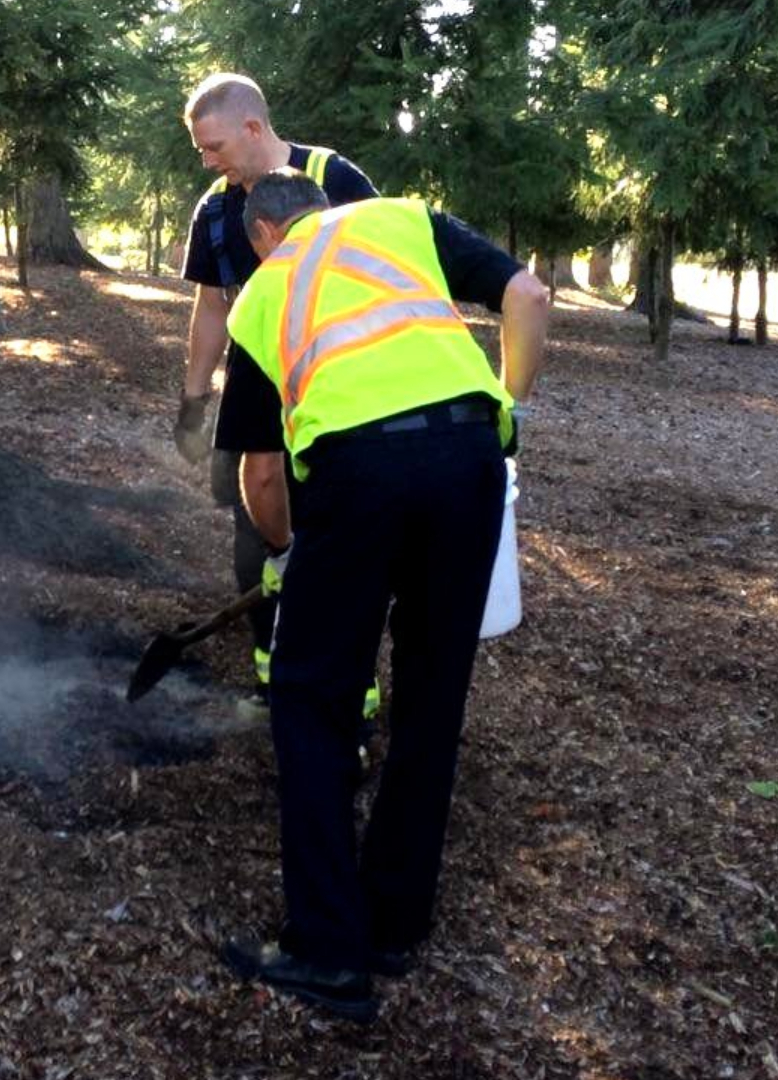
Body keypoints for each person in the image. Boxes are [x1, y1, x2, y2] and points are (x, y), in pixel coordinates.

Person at [215, 170, 548, 1021]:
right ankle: (397, 922)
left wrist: (288, 553)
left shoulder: (262, 295)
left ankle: (328, 951)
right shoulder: (401, 221)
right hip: (470, 460)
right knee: (433, 695)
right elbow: (527, 293)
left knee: (310, 698)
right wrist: (506, 408)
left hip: (356, 473)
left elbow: (259, 475)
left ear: (263, 234)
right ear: (325, 214)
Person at [174, 73, 378, 719]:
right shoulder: (214, 210)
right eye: (201, 151)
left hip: (341, 380)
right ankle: (273, 677)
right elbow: (211, 308)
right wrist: (193, 399)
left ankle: (352, 692)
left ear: (254, 129)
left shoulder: (338, 180)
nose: (208, 161)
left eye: (214, 147)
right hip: (258, 375)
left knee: (336, 531)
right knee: (252, 527)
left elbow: (385, 273)